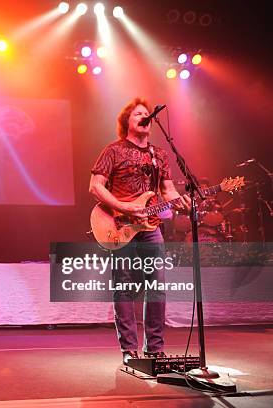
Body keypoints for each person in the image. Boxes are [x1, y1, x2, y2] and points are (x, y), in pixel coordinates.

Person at [88, 97, 190, 364]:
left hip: (150, 227)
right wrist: (124, 207)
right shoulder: (113, 150)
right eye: (138, 114)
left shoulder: (160, 154)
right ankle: (129, 349)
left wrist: (182, 200)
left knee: (157, 286)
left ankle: (155, 348)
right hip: (120, 225)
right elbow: (95, 186)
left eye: (146, 114)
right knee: (124, 287)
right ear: (127, 122)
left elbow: (167, 190)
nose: (144, 116)